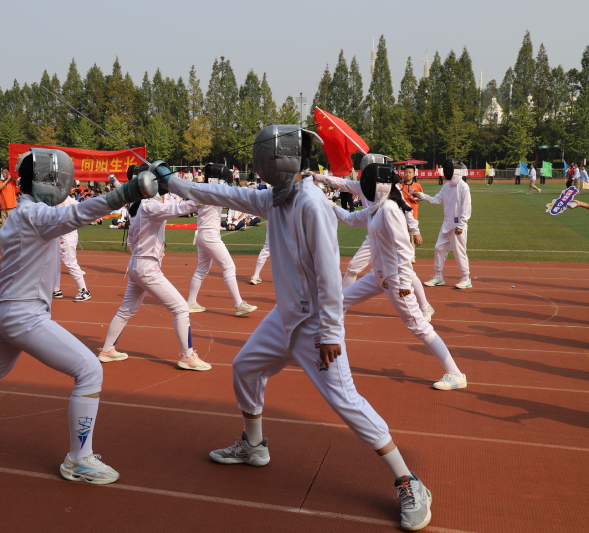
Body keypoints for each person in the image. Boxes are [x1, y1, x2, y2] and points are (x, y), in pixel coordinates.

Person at [154, 125, 432, 532]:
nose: (258, 164)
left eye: (263, 157)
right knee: (245, 367)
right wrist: (170, 179)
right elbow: (221, 194)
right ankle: (254, 446)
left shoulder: (311, 204)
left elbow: (330, 274)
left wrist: (331, 332)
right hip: (283, 317)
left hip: (314, 324)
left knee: (346, 402)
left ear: (279, 160)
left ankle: (408, 480)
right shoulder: (274, 197)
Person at [0, 147, 156, 485]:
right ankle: (79, 460)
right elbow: (77, 214)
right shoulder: (34, 214)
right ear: (46, 181)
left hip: (3, 312)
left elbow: (69, 215)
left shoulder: (24, 212)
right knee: (89, 370)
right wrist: (126, 192)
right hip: (22, 315)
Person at [333, 163, 467, 391]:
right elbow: (351, 219)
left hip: (394, 280)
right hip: (376, 276)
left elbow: (404, 248)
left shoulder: (389, 209)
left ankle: (455, 374)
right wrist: (327, 204)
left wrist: (405, 282)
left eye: (368, 182)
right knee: (338, 303)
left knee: (418, 326)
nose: (365, 186)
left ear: (381, 185)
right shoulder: (377, 207)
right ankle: (332, 353)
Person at [99, 166, 209, 371]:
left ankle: (107, 350)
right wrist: (199, 201)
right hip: (146, 267)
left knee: (126, 310)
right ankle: (188, 356)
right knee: (181, 308)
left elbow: (134, 238)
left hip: (136, 265)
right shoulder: (149, 205)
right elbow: (176, 209)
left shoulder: (138, 205)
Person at [315, 158, 434, 322]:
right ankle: (342, 304)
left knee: (407, 272)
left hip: (388, 235)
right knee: (353, 267)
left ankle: (425, 306)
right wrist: (318, 177)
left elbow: (406, 210)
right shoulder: (362, 186)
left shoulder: (391, 192)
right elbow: (341, 183)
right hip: (373, 233)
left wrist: (415, 231)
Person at [187, 178, 258, 316]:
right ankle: (238, 304)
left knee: (202, 269)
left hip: (201, 233)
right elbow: (231, 197)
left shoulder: (201, 192)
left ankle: (191, 302)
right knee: (229, 267)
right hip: (209, 235)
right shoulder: (213, 193)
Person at [419, 159, 472, 290]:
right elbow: (436, 199)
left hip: (457, 226)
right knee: (439, 248)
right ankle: (438, 276)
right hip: (446, 224)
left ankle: (466, 278)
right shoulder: (447, 186)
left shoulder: (463, 187)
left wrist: (461, 225)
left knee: (459, 252)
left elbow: (466, 208)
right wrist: (423, 196)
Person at [52, 195, 91, 302]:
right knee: (54, 263)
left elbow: (83, 208)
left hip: (67, 235)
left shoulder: (64, 198)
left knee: (70, 262)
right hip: (59, 234)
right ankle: (56, 289)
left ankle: (84, 290)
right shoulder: (58, 198)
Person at [399, 165, 424, 264]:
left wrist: (415, 198)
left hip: (413, 213)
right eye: (406, 172)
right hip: (400, 213)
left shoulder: (417, 185)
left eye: (410, 172)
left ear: (414, 174)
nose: (407, 174)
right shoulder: (399, 185)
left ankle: (412, 255)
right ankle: (402, 255)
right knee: (401, 235)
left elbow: (422, 196)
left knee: (411, 235)